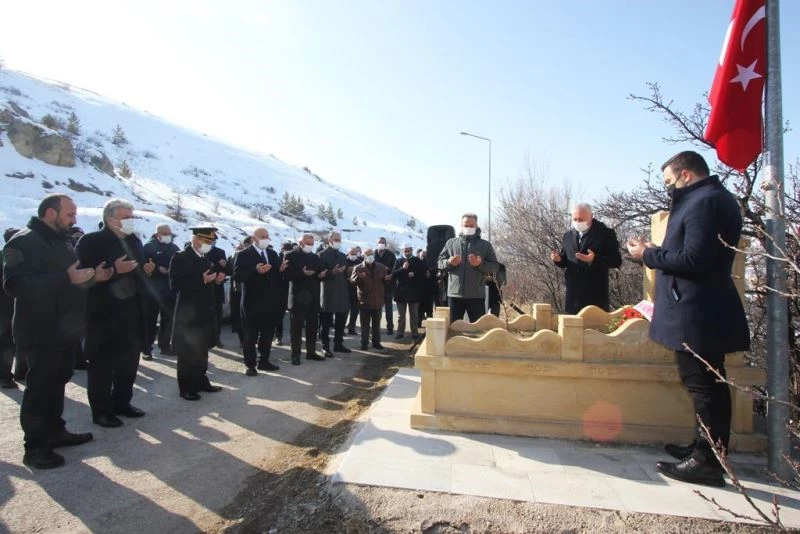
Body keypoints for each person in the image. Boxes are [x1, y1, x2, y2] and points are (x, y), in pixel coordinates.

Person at [627, 150, 749, 488]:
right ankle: (704, 448)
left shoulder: (705, 202)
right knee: (704, 383)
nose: (669, 188)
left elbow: (695, 259)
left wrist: (648, 254)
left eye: (670, 181)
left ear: (686, 174)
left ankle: (707, 462)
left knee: (703, 385)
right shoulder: (709, 198)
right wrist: (655, 249)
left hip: (697, 310)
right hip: (697, 307)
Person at [3, 194, 95, 469]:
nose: (74, 220)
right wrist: (66, 278)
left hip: (64, 330)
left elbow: (72, 279)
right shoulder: (23, 241)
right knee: (40, 388)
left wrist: (90, 278)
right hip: (40, 330)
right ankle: (35, 447)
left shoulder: (61, 241)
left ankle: (55, 431)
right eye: (70, 214)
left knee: (58, 382)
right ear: (51, 213)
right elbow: (15, 285)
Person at [76, 199, 151, 428]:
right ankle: (101, 411)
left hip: (132, 313)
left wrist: (146, 270)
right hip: (103, 315)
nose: (131, 221)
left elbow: (137, 272)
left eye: (132, 217)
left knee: (128, 364)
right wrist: (115, 269)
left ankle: (122, 403)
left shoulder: (134, 241)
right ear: (110, 219)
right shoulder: (90, 242)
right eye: (126, 217)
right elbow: (82, 277)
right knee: (102, 367)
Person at [169, 226, 225, 400]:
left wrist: (215, 280)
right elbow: (175, 284)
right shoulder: (181, 257)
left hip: (204, 312)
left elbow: (206, 282)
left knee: (202, 350)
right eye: (206, 241)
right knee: (187, 352)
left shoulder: (204, 257)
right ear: (195, 240)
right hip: (188, 313)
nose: (209, 244)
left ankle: (200, 381)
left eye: (211, 241)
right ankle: (186, 387)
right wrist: (201, 280)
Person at [551, 203, 622, 314]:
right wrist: (558, 259)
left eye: (581, 219)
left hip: (595, 296)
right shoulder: (568, 236)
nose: (578, 222)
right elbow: (566, 260)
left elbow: (616, 260)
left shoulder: (605, 233)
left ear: (591, 216)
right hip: (573, 297)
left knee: (595, 324)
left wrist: (594, 259)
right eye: (575, 219)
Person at [233, 227, 286, 376]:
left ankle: (264, 361)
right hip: (251, 303)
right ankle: (250, 365)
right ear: (254, 239)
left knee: (267, 334)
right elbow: (237, 275)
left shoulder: (272, 254)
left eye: (267, 236)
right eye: (262, 236)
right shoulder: (243, 254)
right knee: (250, 335)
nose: (265, 239)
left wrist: (280, 270)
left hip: (270, 302)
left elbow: (275, 276)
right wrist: (256, 271)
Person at [437, 214, 498, 322]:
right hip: (455, 295)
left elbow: (494, 266)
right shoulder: (451, 243)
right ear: (461, 225)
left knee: (478, 329)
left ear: (476, 226)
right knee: (454, 328)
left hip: (476, 296)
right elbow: (439, 263)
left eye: (471, 226)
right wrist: (449, 262)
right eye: (466, 225)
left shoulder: (485, 245)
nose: (468, 228)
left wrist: (479, 264)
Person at [284, 234, 326, 365]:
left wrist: (321, 274)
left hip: (313, 296)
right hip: (298, 297)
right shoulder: (290, 256)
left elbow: (320, 273)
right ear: (301, 243)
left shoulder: (315, 257)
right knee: (296, 327)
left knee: (312, 326)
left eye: (312, 244)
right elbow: (287, 275)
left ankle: (311, 352)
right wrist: (302, 273)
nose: (310, 246)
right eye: (308, 243)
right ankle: (295, 354)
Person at [142, 223, 180, 359]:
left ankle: (165, 346)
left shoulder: (174, 248)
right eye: (165, 234)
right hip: (152, 290)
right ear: (157, 234)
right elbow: (143, 265)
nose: (168, 236)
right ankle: (146, 348)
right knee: (150, 320)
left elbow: (179, 263)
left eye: (169, 234)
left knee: (168, 319)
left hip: (169, 290)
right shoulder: (148, 247)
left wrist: (172, 270)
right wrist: (157, 269)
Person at [318, 232, 352, 357]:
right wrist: (333, 271)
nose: (338, 241)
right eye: (336, 239)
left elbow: (346, 273)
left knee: (340, 322)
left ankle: (338, 344)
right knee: (326, 323)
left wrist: (350, 272)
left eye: (339, 239)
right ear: (329, 240)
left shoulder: (343, 256)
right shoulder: (322, 255)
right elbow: (319, 274)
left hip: (342, 292)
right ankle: (325, 346)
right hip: (328, 293)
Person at [351, 247, 387, 350]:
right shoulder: (358, 268)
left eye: (372, 254)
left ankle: (376, 342)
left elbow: (385, 281)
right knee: (365, 325)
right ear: (364, 256)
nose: (370, 256)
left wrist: (387, 279)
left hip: (377, 300)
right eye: (368, 255)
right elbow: (353, 282)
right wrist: (359, 277)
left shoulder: (381, 267)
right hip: (365, 301)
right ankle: (364, 343)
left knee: (376, 324)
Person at [1, 228, 21, 389]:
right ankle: (4, 376)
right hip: (7, 306)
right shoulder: (12, 258)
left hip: (8, 306)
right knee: (7, 342)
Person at [392, 243, 425, 339]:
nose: (406, 252)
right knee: (401, 316)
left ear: (411, 250)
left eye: (408, 250)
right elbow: (394, 274)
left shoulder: (417, 261)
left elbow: (422, 275)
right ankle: (400, 332)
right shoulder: (399, 261)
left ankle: (414, 332)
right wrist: (402, 268)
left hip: (414, 292)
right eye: (405, 251)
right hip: (401, 292)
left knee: (414, 315)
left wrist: (414, 275)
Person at [68, 227, 89, 370]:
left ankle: (80, 358)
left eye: (80, 235)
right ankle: (77, 359)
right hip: (71, 295)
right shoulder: (68, 251)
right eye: (76, 235)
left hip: (83, 292)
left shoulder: (84, 248)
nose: (78, 237)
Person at [229, 236, 253, 347]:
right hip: (238, 290)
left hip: (251, 290)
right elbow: (233, 271)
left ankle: (249, 338)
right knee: (240, 316)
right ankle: (243, 339)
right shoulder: (237, 255)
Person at [206, 239, 228, 348]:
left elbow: (227, 269)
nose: (212, 242)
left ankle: (217, 338)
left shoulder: (220, 252)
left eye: (214, 240)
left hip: (217, 287)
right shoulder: (202, 252)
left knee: (217, 315)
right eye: (211, 240)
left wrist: (223, 270)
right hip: (204, 288)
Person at [375, 237, 396, 335]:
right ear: (377, 243)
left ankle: (390, 327)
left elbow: (395, 268)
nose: (381, 244)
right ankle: (376, 327)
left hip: (388, 286)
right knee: (377, 308)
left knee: (388, 308)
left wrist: (389, 270)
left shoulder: (391, 255)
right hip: (376, 286)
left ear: (386, 244)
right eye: (380, 242)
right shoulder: (373, 254)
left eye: (383, 243)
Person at [274, 241, 294, 345]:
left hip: (293, 291)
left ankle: (294, 337)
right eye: (286, 250)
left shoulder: (294, 259)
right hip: (280, 291)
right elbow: (273, 274)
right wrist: (280, 270)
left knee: (294, 316)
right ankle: (278, 336)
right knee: (279, 315)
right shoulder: (277, 259)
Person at [345, 247, 362, 335]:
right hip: (346, 289)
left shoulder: (360, 262)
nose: (354, 255)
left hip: (356, 290)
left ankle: (352, 328)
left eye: (355, 254)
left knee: (355, 311)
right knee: (344, 311)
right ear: (348, 253)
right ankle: (341, 328)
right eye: (352, 254)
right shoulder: (344, 261)